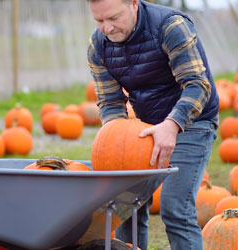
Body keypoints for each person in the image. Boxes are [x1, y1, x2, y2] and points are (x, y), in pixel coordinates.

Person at [86, 0, 219, 249]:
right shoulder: (98, 45)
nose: (106, 28)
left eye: (113, 18)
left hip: (194, 120)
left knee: (175, 208)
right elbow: (110, 101)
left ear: (134, 4)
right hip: (146, 124)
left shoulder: (171, 27)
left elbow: (197, 84)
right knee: (124, 206)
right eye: (99, 21)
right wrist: (116, 140)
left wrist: (172, 125)